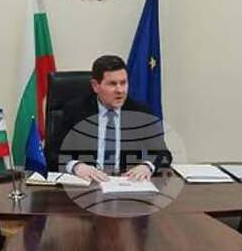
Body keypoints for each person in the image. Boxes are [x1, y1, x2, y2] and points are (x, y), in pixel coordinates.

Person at [46, 54, 172, 182]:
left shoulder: (140, 113)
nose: (120, 90)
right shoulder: (75, 111)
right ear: (95, 86)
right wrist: (76, 166)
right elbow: (52, 154)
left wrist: (147, 166)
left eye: (123, 83)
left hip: (126, 184)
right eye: (112, 84)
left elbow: (163, 154)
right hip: (87, 184)